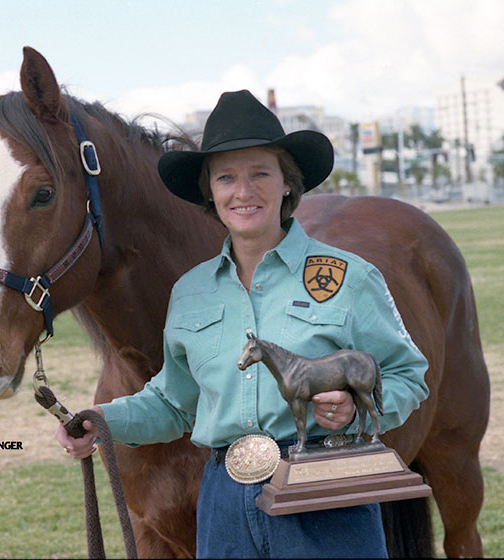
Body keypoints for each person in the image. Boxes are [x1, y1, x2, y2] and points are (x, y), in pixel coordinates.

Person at [55, 90, 429, 559]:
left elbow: (407, 376)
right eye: (226, 177)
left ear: (288, 185)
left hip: (322, 489)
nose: (243, 191)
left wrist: (356, 410)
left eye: (260, 174)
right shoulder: (191, 292)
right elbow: (173, 403)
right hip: (225, 502)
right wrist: (102, 421)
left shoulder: (349, 278)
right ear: (210, 192)